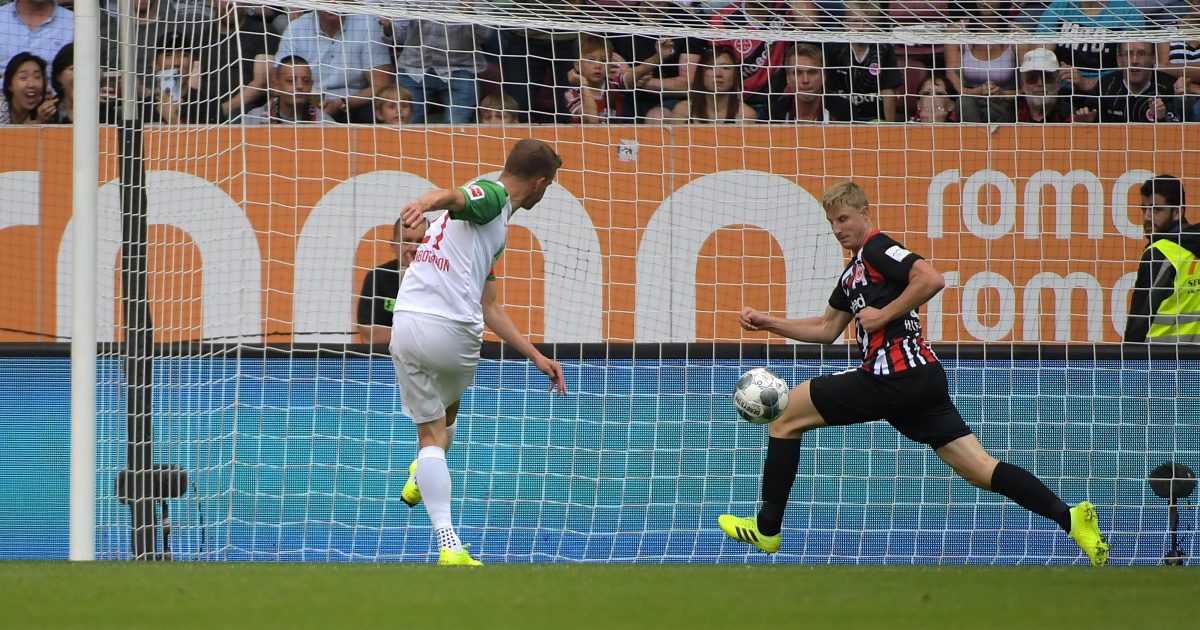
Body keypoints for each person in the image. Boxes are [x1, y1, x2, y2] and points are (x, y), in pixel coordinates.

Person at [718, 181, 1110, 567]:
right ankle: (1071, 518)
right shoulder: (851, 274)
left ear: (864, 213)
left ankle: (767, 528)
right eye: (832, 222)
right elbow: (825, 330)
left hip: (892, 377)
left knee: (784, 417)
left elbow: (931, 278)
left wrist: (884, 315)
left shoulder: (876, 247)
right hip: (920, 380)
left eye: (844, 218)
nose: (838, 229)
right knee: (979, 468)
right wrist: (768, 322)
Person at [392, 138, 567, 566]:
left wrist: (535, 356)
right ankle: (449, 544)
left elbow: (491, 306)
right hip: (451, 331)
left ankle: (424, 470)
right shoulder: (493, 194)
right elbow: (453, 197)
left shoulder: (492, 230)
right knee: (435, 434)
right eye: (550, 186)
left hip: (406, 322)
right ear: (540, 182)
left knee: (439, 421)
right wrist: (425, 200)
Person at [1124, 176, 1200, 343]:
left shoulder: (1160, 254)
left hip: (1160, 362)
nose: (1147, 218)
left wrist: (1127, 363)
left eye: (1156, 209)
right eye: (1144, 209)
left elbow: (1140, 321)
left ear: (1177, 212)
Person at [1073, 41, 1190, 123]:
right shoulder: (1106, 86)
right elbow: (1090, 120)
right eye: (1128, 54)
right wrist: (1087, 122)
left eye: (1142, 54)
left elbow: (1179, 132)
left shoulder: (1168, 87)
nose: (1134, 61)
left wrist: (1161, 119)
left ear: (1153, 58)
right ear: (1119, 59)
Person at [355, 216, 427, 345]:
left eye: (421, 241)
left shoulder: (445, 279)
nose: (414, 248)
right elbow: (370, 336)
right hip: (386, 363)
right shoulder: (378, 277)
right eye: (406, 241)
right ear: (393, 246)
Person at [240, 56, 330, 124]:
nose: (300, 86)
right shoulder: (254, 119)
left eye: (306, 81)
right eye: (291, 81)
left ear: (311, 86)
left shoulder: (324, 122)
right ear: (276, 86)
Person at [1015, 48, 1075, 122]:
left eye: (1047, 77)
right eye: (1032, 78)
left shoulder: (1071, 116)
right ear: (1022, 83)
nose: (1040, 83)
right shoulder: (1013, 112)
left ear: (1058, 82)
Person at [0, 51, 54, 124]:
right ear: (9, 85)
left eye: (37, 77)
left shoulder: (45, 111)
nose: (31, 84)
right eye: (23, 78)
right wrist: (38, 121)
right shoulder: (1, 109)